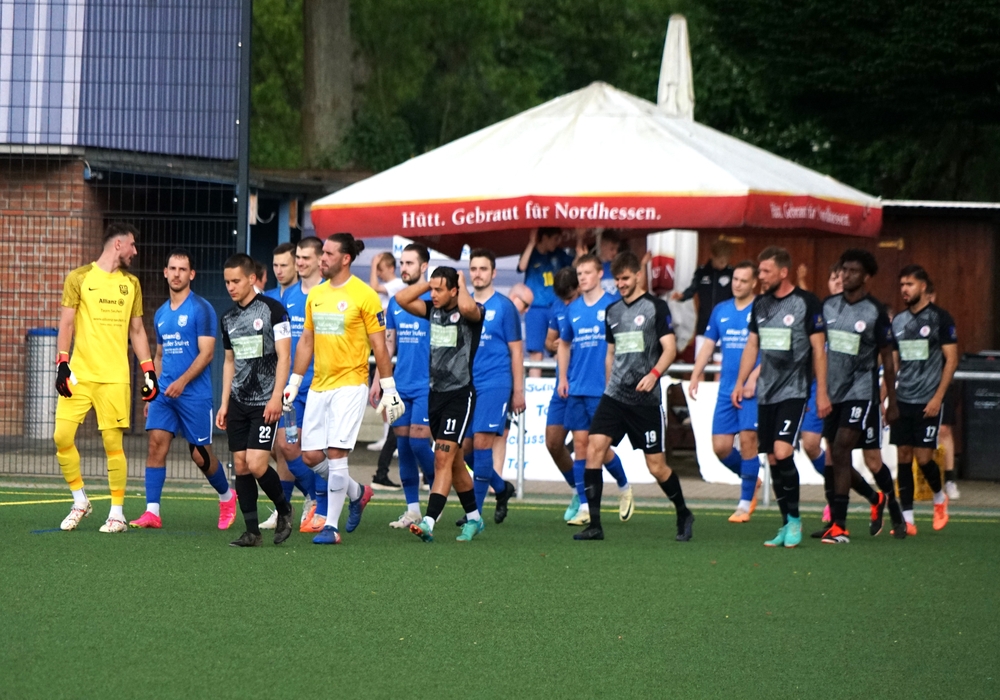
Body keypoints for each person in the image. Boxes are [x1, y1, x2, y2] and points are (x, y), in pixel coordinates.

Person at [284, 233, 400, 545]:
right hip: (318, 386)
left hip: (351, 385)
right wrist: (294, 382)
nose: (322, 259)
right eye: (322, 253)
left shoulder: (365, 295)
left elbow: (380, 345)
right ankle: (357, 492)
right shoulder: (316, 294)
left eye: (329, 254)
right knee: (310, 456)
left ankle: (330, 527)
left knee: (336, 453)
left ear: (346, 259)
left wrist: (389, 388)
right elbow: (306, 340)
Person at [574, 251, 694, 542]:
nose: (621, 284)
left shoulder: (655, 307)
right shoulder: (612, 311)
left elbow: (670, 349)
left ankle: (683, 512)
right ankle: (595, 525)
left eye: (625, 278)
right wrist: (608, 386)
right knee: (593, 448)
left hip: (645, 400)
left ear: (638, 275)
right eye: (617, 279)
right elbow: (610, 353)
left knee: (657, 467)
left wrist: (654, 375)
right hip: (615, 396)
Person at [54, 223, 159, 533]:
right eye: (132, 245)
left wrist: (149, 371)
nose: (135, 251)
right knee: (61, 437)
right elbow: (66, 324)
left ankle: (117, 514)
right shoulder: (78, 278)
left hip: (115, 377)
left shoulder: (131, 284)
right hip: (80, 375)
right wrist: (62, 364)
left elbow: (137, 330)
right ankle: (80, 500)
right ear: (118, 244)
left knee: (113, 444)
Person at [130, 250, 236, 530]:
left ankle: (227, 497)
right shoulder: (161, 314)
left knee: (200, 455)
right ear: (165, 272)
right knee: (155, 444)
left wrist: (183, 382)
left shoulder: (201, 308)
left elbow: (207, 353)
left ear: (191, 274)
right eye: (172, 269)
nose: (177, 274)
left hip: (194, 395)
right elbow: (159, 355)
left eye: (182, 269)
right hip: (164, 394)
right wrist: (152, 392)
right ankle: (152, 512)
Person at [732, 246, 829, 549]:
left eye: (766, 271)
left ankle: (796, 520)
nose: (760, 276)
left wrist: (821, 391)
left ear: (783, 272)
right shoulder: (760, 304)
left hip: (795, 390)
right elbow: (752, 345)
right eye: (759, 270)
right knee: (772, 457)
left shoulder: (806, 302)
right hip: (766, 393)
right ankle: (786, 522)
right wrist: (740, 382)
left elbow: (819, 350)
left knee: (783, 451)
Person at [394, 266, 486, 543]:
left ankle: (429, 521)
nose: (433, 295)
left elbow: (468, 306)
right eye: (432, 290)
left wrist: (463, 282)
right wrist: (429, 283)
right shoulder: (431, 310)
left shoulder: (472, 312)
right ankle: (474, 518)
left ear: (454, 290)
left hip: (460, 395)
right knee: (455, 463)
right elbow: (401, 299)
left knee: (442, 457)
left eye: (439, 290)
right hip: (435, 395)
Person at [818, 249, 903, 544]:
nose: (846, 275)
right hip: (833, 392)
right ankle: (875, 499)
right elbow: (818, 347)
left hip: (861, 391)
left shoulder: (874, 311)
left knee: (851, 452)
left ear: (866, 276)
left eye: (853, 271)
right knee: (835, 457)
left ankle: (841, 525)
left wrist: (891, 401)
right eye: (844, 270)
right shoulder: (828, 306)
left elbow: (888, 359)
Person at [217, 254, 294, 547]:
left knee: (257, 463)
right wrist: (224, 403)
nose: (230, 287)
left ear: (251, 279)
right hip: (238, 400)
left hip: (265, 401)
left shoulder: (274, 310)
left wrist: (277, 397)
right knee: (241, 465)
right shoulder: (227, 318)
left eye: (236, 281)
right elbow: (229, 361)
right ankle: (252, 532)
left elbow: (285, 357)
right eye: (227, 282)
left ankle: (284, 509)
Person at [556, 254, 633, 527]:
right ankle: (585, 506)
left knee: (598, 447)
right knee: (580, 447)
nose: (583, 278)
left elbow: (624, 345)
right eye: (580, 274)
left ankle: (624, 487)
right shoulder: (573, 309)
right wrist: (562, 377)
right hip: (577, 386)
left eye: (587, 272)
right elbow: (564, 343)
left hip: (603, 389)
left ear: (600, 274)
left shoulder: (613, 306)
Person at [370, 243, 438, 529]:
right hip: (400, 386)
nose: (404, 268)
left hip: (427, 385)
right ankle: (412, 510)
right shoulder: (396, 303)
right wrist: (379, 380)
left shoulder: (435, 300)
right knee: (404, 445)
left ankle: (438, 494)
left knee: (419, 442)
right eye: (402, 263)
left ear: (424, 266)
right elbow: (388, 345)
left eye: (410, 263)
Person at [688, 261, 762, 523]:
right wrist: (696, 374)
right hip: (726, 388)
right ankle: (752, 479)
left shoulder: (762, 309)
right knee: (720, 447)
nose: (737, 284)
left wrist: (754, 376)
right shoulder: (721, 310)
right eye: (735, 279)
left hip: (752, 388)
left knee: (748, 440)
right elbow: (708, 345)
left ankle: (744, 503)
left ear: (754, 283)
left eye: (743, 280)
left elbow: (771, 350)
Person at [890, 265, 958, 535]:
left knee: (924, 457)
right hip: (903, 398)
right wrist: (886, 398)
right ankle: (907, 519)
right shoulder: (898, 321)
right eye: (902, 285)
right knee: (903, 455)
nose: (904, 289)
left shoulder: (940, 318)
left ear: (923, 287)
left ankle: (939, 497)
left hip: (928, 399)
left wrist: (938, 397)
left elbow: (951, 360)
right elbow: (894, 363)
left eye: (909, 284)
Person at [459, 249, 521, 524]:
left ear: (494, 273)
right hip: (467, 385)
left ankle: (474, 515)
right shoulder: (463, 305)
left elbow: (516, 351)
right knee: (465, 450)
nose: (478, 274)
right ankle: (502, 488)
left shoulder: (505, 307)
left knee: (483, 444)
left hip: (495, 382)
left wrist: (518, 391)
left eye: (483, 269)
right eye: (474, 269)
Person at [260, 242, 318, 531]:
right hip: (277, 387)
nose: (280, 270)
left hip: (308, 385)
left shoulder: (309, 295)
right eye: (276, 265)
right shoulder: (270, 299)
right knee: (278, 447)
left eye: (285, 264)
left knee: (289, 446)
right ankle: (298, 502)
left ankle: (308, 501)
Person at [545, 267, 584, 519]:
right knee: (553, 442)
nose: (567, 303)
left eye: (570, 297)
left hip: (584, 385)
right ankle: (578, 490)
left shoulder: (591, 306)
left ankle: (618, 489)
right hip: (562, 385)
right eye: (563, 299)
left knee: (588, 446)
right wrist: (558, 344)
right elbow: (549, 342)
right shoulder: (558, 307)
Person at [518, 228, 575, 370]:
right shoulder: (531, 253)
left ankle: (560, 380)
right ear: (544, 238)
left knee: (558, 347)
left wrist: (579, 244)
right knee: (536, 352)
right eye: (555, 239)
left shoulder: (559, 254)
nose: (558, 242)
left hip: (556, 307)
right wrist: (532, 243)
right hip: (536, 308)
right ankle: (535, 384)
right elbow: (522, 266)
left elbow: (575, 266)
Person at [368, 252, 407, 457]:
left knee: (393, 390)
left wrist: (373, 263)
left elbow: (374, 288)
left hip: (394, 343)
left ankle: (396, 440)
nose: (379, 273)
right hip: (381, 342)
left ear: (392, 268)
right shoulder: (386, 288)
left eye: (381, 269)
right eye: (377, 270)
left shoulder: (398, 284)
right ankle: (386, 437)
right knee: (383, 392)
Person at [672, 238, 735, 356]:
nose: (723, 264)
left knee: (719, 360)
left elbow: (735, 297)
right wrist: (682, 296)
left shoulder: (731, 273)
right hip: (704, 322)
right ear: (712, 256)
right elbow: (692, 288)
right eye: (721, 261)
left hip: (724, 323)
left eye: (726, 261)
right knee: (701, 358)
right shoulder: (702, 272)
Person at [927, 286, 960, 500]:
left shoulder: (943, 319)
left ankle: (949, 479)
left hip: (941, 383)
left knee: (944, 430)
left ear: (932, 295)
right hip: (916, 386)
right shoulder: (908, 320)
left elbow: (951, 357)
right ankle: (926, 481)